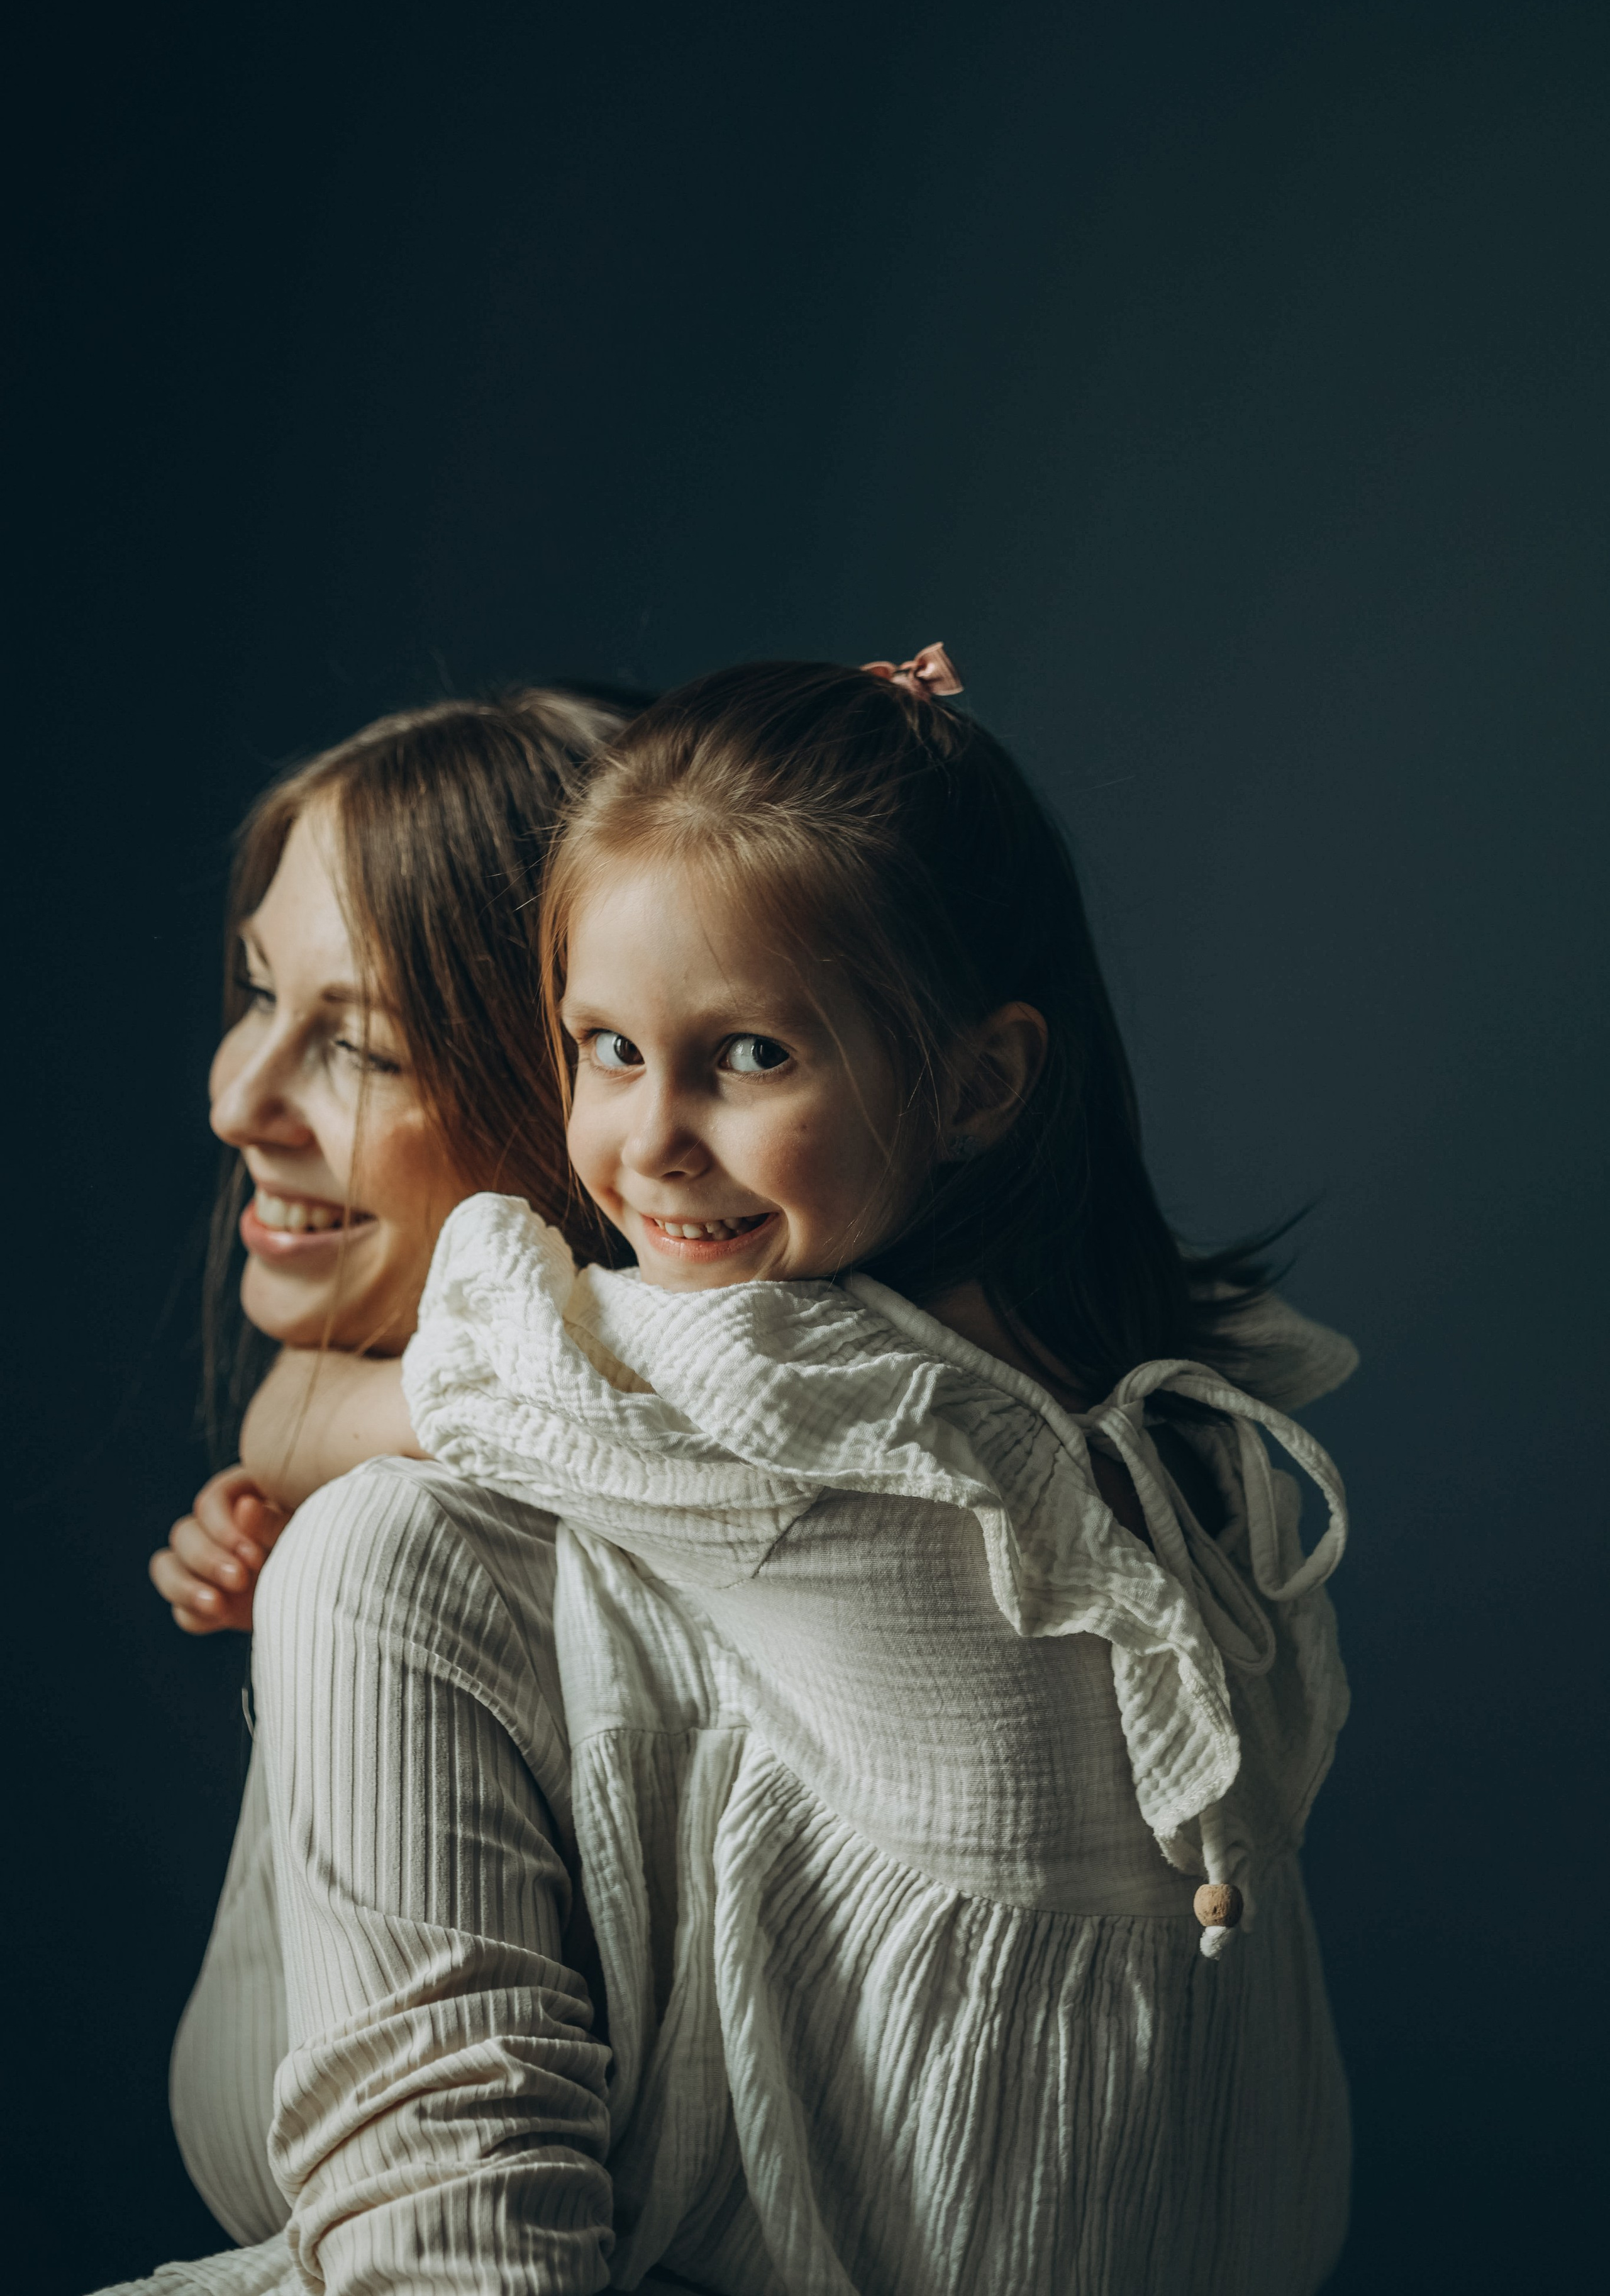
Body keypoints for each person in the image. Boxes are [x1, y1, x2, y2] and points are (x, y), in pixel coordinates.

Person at [185, 649, 1357, 2294]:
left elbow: (345, 1414)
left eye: (744, 1055)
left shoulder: (763, 1384)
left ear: (976, 1082)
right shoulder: (1111, 1403)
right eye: (606, 1046)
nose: (654, 1138)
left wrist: (303, 1471)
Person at [114, 683, 657, 2296]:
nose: (236, 1100)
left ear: (572, 1089)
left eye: (357, 1043)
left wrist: (320, 1456)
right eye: (256, 993)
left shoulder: (408, 1536)